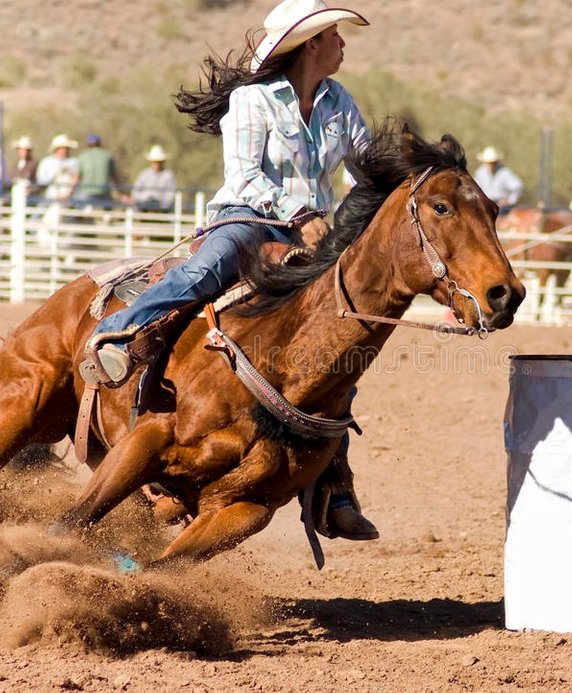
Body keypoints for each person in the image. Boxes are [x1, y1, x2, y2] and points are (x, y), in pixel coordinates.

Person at [84, 0, 377, 541]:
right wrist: (303, 214)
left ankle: (333, 483)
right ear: (311, 44)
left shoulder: (341, 102)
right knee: (208, 267)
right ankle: (120, 335)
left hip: (315, 238)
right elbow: (244, 175)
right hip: (251, 219)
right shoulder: (252, 100)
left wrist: (365, 208)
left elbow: (364, 170)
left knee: (338, 343)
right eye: (334, 35)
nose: (342, 44)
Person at [72, 133, 120, 208]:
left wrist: (68, 192)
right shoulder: (108, 156)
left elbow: (76, 177)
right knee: (109, 204)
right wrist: (121, 193)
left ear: (88, 144)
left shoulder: (83, 156)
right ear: (99, 144)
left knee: (75, 203)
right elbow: (115, 178)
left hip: (86, 193)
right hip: (104, 193)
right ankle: (107, 217)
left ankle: (78, 218)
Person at [473, 145, 523, 213]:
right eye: (488, 162)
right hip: (485, 204)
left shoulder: (504, 172)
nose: (490, 165)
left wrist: (510, 200)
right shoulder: (480, 172)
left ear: (496, 161)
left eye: (492, 162)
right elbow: (475, 189)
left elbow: (518, 186)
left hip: (501, 206)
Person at [128, 144, 177, 212]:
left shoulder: (168, 175)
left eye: (158, 162)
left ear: (163, 162)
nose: (156, 164)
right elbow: (135, 191)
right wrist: (144, 198)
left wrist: (161, 206)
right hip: (144, 207)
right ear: (151, 161)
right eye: (154, 161)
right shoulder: (144, 174)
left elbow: (170, 195)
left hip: (161, 209)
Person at [36, 134, 79, 201]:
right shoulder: (46, 162)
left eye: (66, 148)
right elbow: (41, 181)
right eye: (61, 148)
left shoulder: (74, 162)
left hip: (71, 198)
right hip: (51, 197)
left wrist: (68, 192)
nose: (64, 151)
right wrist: (55, 172)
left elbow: (76, 178)